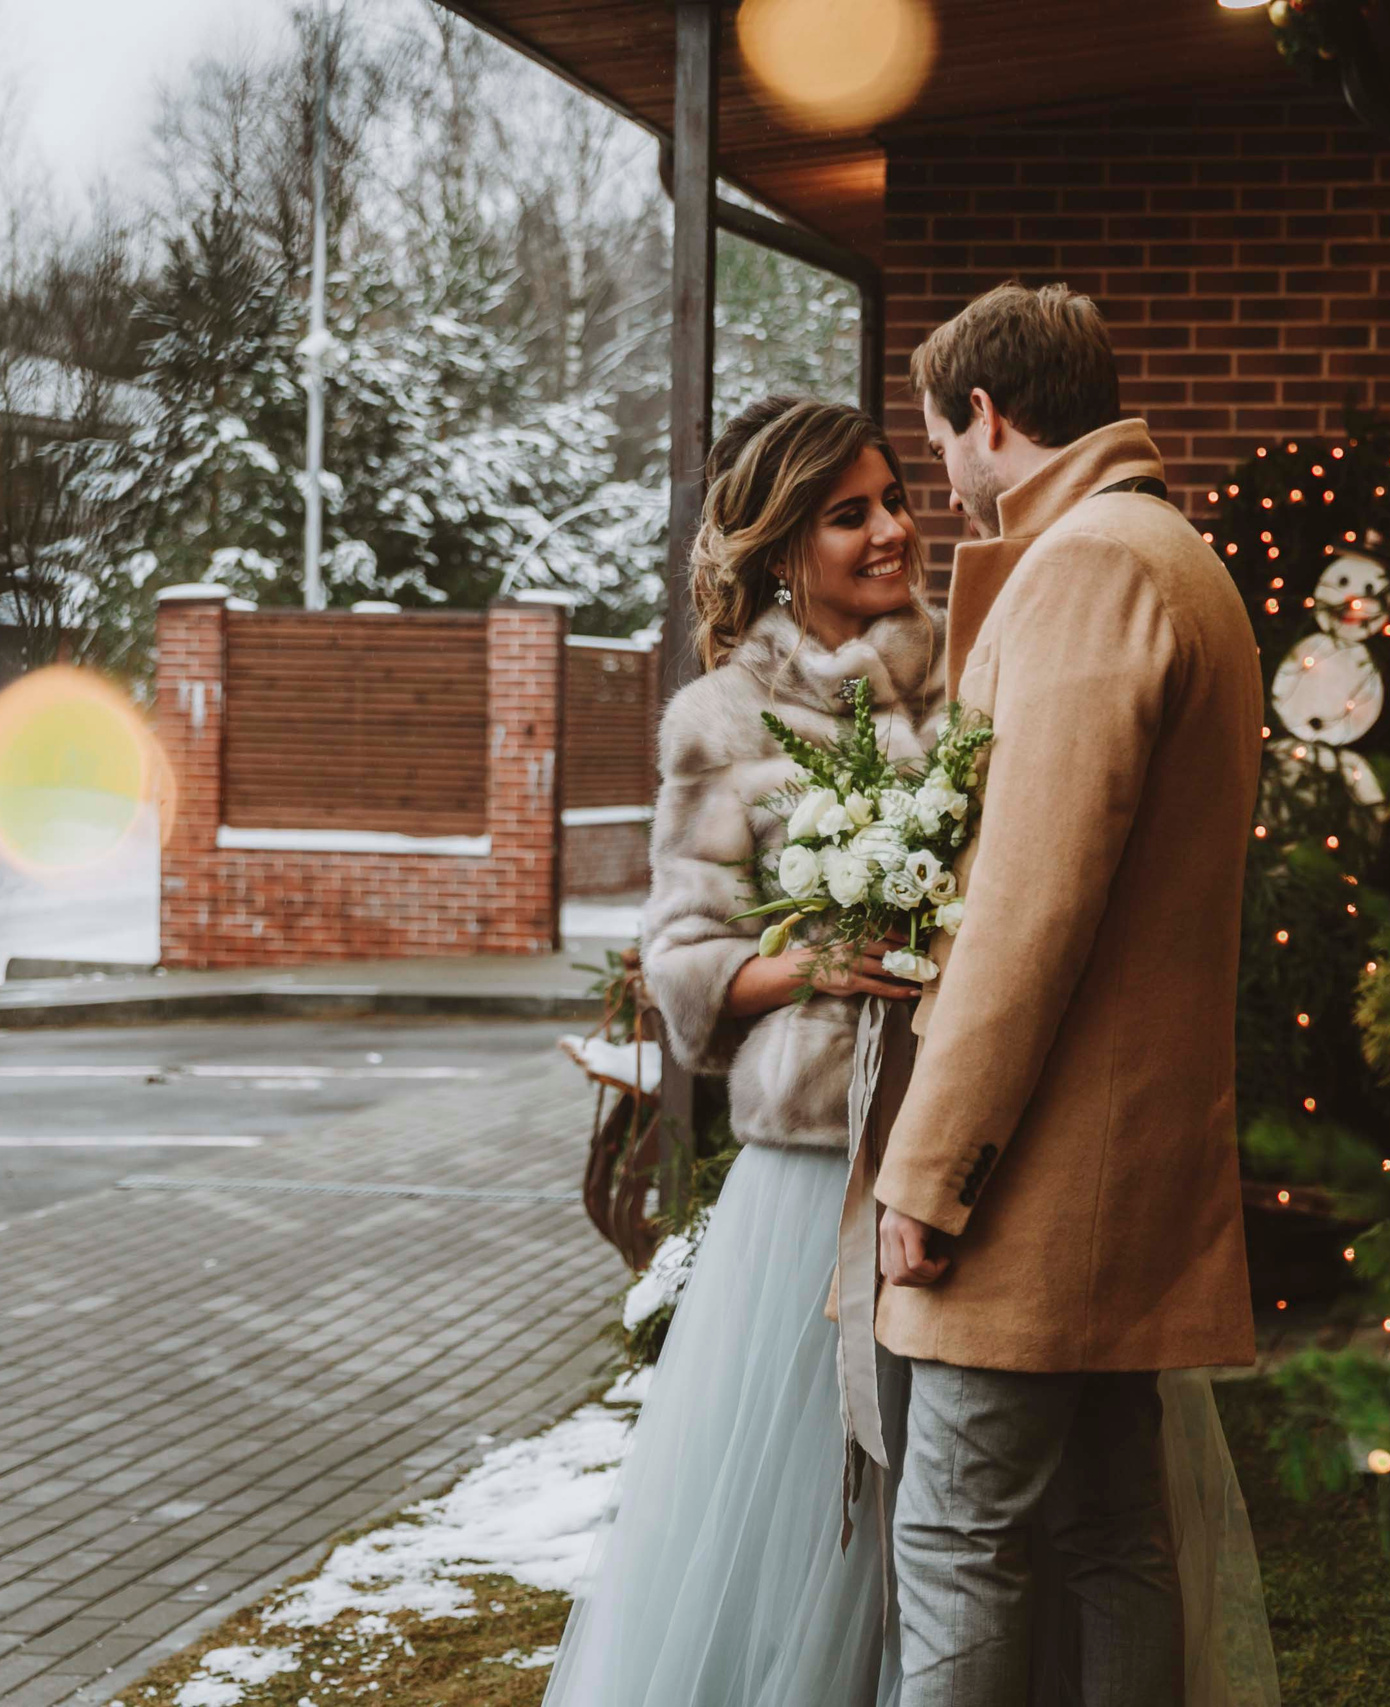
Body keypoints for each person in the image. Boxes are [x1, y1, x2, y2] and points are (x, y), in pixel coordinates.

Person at [859, 282, 1267, 1707]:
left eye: (936, 445)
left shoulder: (1091, 565)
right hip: (1115, 1156)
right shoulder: (1170, 552)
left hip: (1040, 1168)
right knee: (1107, 1533)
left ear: (986, 414)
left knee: (956, 1539)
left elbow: (1028, 913)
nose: (941, 482)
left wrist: (931, 1172)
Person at [542, 395, 938, 1707]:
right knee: (809, 1516)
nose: (892, 530)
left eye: (895, 499)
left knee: (963, 1510)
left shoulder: (967, 680)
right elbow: (682, 960)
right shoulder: (721, 720)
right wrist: (816, 961)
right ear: (781, 549)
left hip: (962, 1139)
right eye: (850, 515)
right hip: (813, 1178)